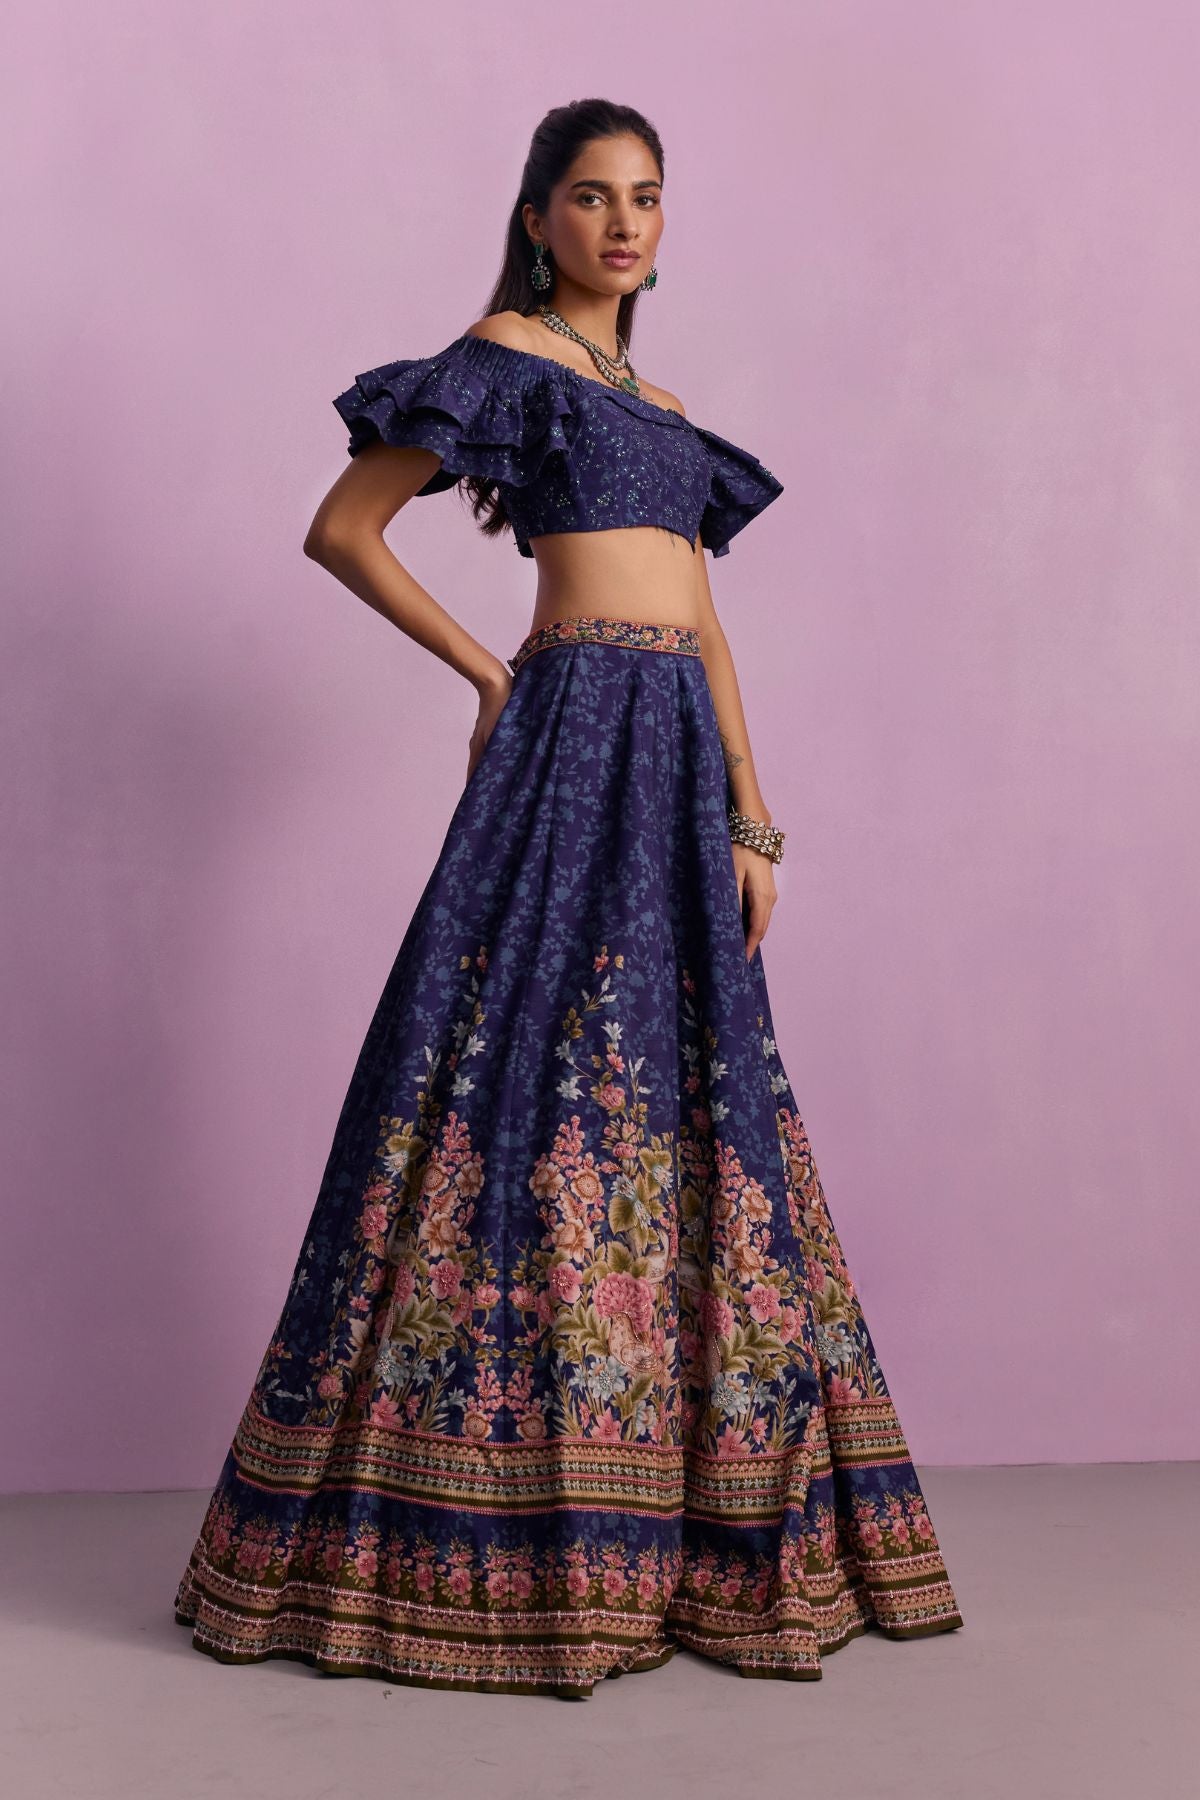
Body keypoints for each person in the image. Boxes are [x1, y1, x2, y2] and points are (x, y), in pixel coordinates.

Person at [173, 97, 964, 1698]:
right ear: (539, 219)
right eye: (592, 197)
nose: (622, 223)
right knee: (513, 1069)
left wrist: (754, 816)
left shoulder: (663, 409)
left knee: (687, 1084)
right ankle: (489, 1502)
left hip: (678, 752)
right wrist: (489, 673)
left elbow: (706, 621)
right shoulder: (505, 358)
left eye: (646, 198)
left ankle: (671, 1503)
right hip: (573, 725)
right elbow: (343, 528)